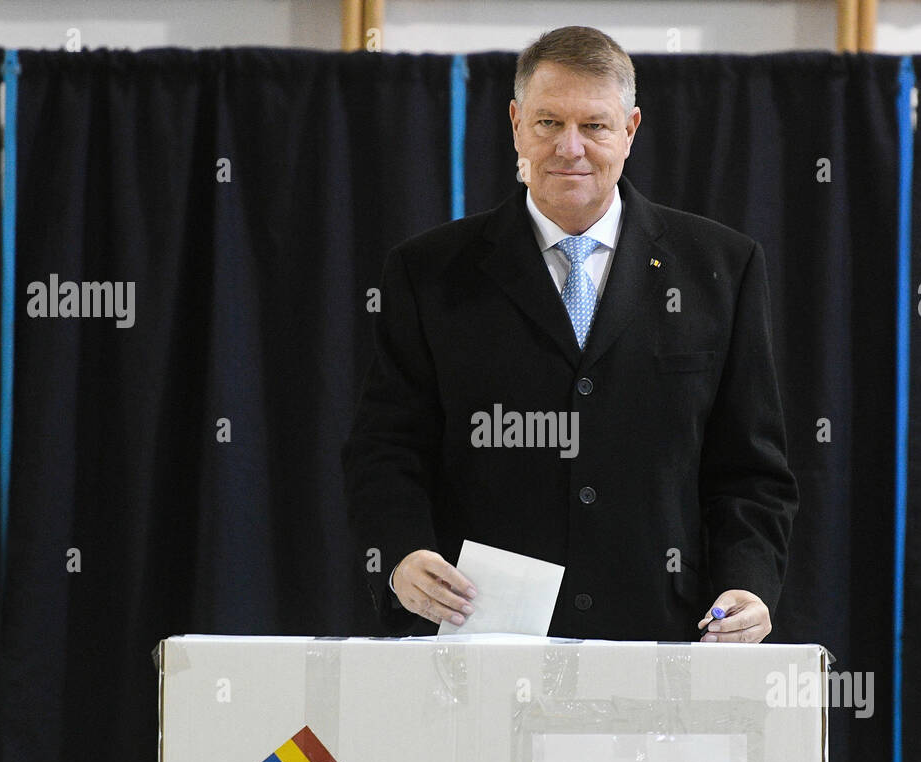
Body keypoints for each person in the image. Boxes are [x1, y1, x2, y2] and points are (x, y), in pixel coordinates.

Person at [342, 25, 797, 643]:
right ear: (515, 124)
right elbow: (386, 449)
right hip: (481, 638)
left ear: (631, 130)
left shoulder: (722, 266)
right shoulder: (429, 272)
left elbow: (749, 469)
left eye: (595, 125)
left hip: (662, 637)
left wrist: (747, 583)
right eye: (549, 122)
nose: (570, 147)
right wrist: (401, 556)